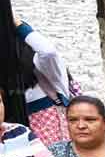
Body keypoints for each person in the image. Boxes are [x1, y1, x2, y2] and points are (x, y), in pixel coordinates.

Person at [15, 16, 71, 145]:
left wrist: (18, 25)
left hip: (57, 149)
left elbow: (48, 52)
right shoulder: (8, 80)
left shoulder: (43, 66)